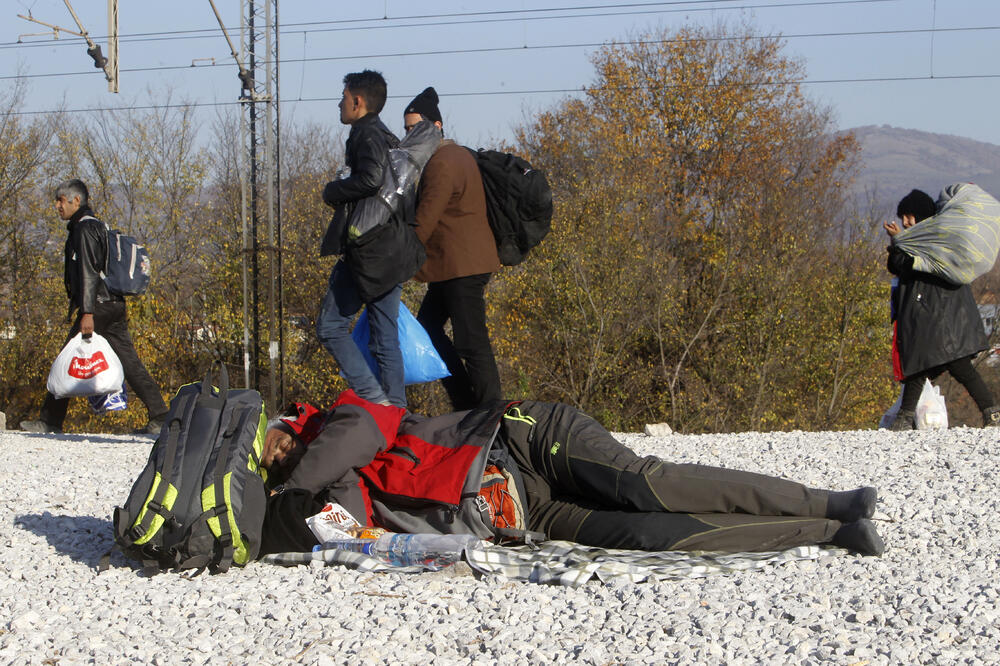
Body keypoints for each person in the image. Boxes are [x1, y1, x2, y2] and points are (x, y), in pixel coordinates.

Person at [256, 391, 884, 558]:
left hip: (528, 440)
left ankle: (835, 499)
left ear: (292, 421)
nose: (274, 455)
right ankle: (826, 531)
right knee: (650, 536)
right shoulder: (334, 484)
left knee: (650, 485)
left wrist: (290, 482)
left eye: (274, 442)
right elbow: (347, 524)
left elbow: (354, 439)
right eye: (268, 460)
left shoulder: (347, 413)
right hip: (528, 520)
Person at [20, 179, 168, 435]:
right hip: (113, 305)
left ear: (76, 201)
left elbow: (89, 271)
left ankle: (50, 421)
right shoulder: (95, 225)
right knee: (130, 363)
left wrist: (86, 312)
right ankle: (161, 415)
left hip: (97, 307)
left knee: (67, 357)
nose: (57, 205)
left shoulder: (85, 229)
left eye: (61, 200)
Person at [402, 87, 503, 410]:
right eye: (406, 129)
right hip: (454, 266)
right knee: (429, 328)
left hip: (462, 267)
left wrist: (396, 258)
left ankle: (487, 413)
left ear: (437, 126)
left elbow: (425, 219)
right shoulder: (453, 155)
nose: (409, 135)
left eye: (416, 128)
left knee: (472, 342)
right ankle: (468, 405)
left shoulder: (442, 163)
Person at [317, 70, 406, 408]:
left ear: (357, 101)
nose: (339, 104)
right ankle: (396, 413)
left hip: (367, 250)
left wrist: (333, 190)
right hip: (392, 251)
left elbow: (369, 178)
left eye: (343, 97)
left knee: (330, 326)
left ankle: (375, 402)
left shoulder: (365, 133)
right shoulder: (387, 136)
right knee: (385, 337)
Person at [883, 189, 999, 430]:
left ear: (921, 215)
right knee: (923, 367)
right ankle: (905, 418)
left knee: (939, 365)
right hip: (938, 316)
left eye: (909, 216)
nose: (905, 222)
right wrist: (899, 244)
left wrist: (898, 243)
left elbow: (902, 265)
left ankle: (992, 412)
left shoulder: (927, 241)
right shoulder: (930, 238)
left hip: (938, 316)